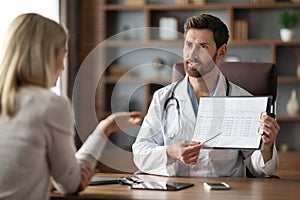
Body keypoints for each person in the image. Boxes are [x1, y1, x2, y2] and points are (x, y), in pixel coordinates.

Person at [0, 13, 142, 199]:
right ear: (46, 57)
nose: (63, 68)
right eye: (62, 55)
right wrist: (105, 130)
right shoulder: (49, 105)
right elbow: (70, 184)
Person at [132, 14, 280, 177]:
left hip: (224, 193)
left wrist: (267, 148)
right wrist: (170, 151)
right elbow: (140, 154)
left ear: (221, 51)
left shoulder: (244, 102)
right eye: (188, 45)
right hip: (176, 192)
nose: (191, 54)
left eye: (202, 47)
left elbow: (258, 169)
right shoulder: (163, 98)